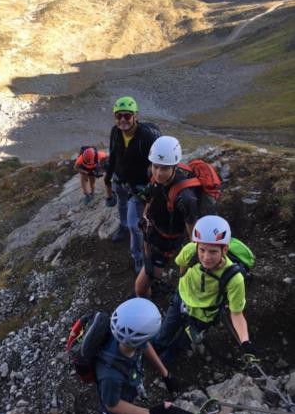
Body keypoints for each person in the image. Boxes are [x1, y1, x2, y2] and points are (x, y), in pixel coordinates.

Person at [95, 297, 198, 414]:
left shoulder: (124, 335)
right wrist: (150, 413)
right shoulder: (110, 375)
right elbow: (112, 405)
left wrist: (166, 375)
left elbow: (144, 345)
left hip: (124, 391)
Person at [153, 215, 258, 367]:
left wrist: (245, 343)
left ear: (225, 249)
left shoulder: (234, 278)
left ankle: (166, 360)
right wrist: (183, 284)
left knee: (182, 342)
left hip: (202, 316)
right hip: (181, 300)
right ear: (196, 246)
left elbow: (236, 313)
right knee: (165, 331)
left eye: (213, 252)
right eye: (202, 250)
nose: (206, 257)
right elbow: (182, 267)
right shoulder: (190, 251)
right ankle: (156, 350)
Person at [135, 136, 199, 297]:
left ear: (174, 167)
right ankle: (154, 281)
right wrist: (145, 217)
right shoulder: (154, 175)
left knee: (140, 288)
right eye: (156, 167)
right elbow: (152, 196)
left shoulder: (185, 198)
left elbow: (193, 237)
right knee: (147, 263)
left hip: (165, 244)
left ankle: (146, 311)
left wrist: (193, 262)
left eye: (164, 168)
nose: (158, 173)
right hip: (151, 231)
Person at [104, 96, 161, 274]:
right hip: (120, 180)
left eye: (127, 116)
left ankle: (138, 257)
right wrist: (108, 179)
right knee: (121, 204)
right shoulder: (115, 131)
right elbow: (113, 155)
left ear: (136, 116)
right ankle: (121, 226)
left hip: (139, 187)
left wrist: (151, 186)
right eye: (118, 116)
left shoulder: (146, 136)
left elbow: (155, 164)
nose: (122, 120)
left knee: (135, 226)